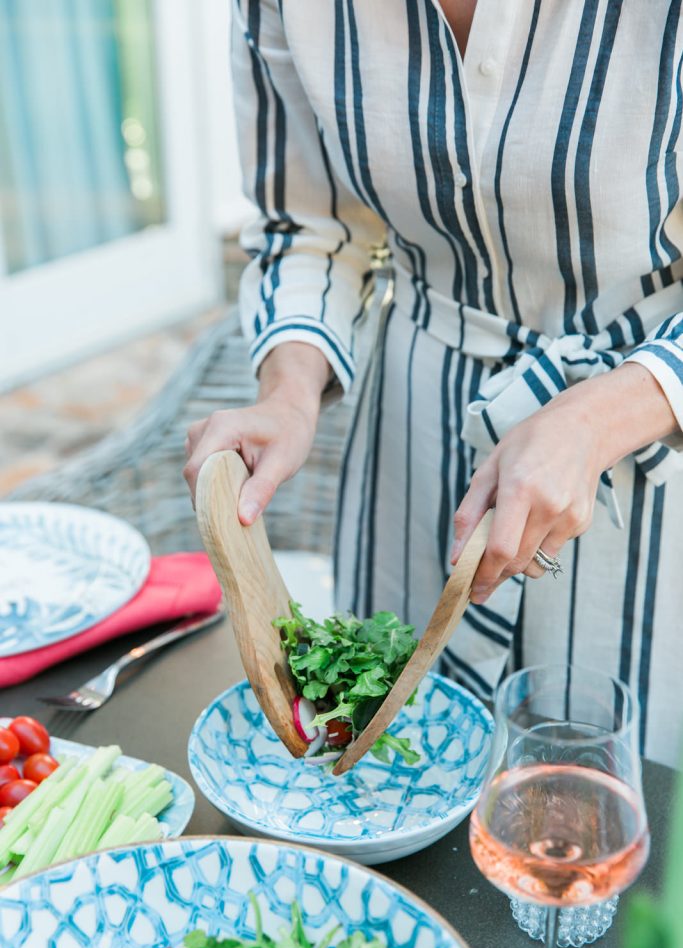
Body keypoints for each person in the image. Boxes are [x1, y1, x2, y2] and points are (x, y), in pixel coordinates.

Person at [184, 1, 683, 768]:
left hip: (649, 451)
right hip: (413, 437)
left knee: (604, 814)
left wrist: (597, 420)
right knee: (387, 773)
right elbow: (309, 227)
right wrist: (288, 392)